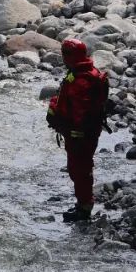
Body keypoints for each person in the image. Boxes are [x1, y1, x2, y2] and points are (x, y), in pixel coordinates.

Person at [47, 38, 109, 223]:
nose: (63, 58)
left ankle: (84, 208)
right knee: (80, 169)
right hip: (84, 133)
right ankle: (83, 203)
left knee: (79, 170)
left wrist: (63, 122)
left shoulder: (82, 80)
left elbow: (79, 114)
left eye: (65, 54)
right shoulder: (85, 73)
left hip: (79, 136)